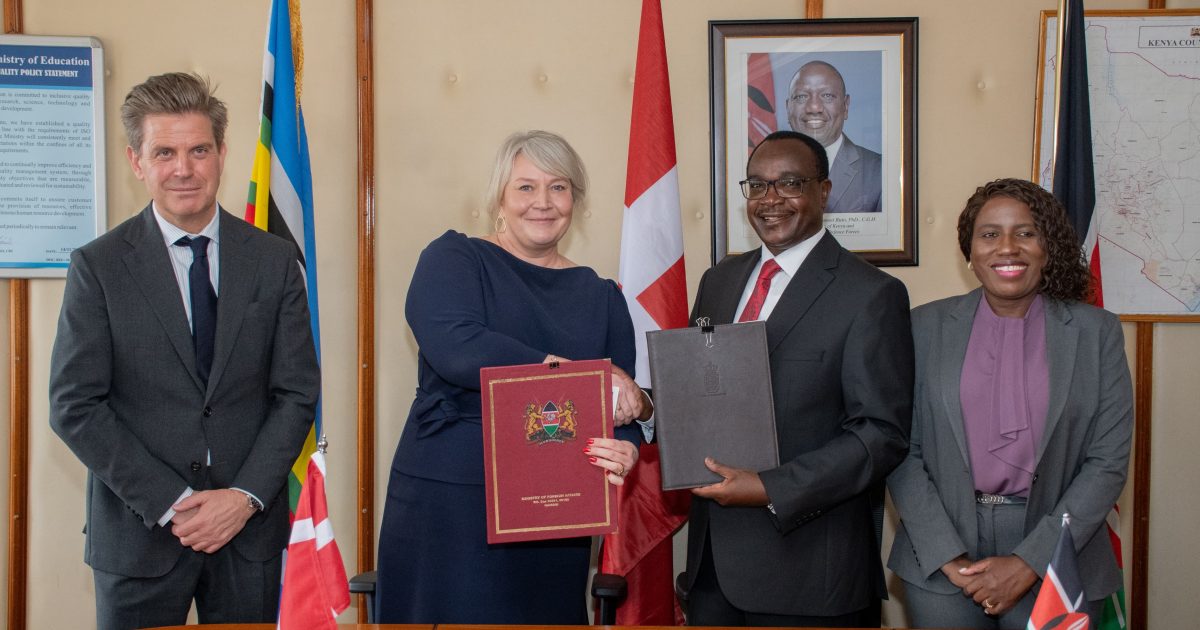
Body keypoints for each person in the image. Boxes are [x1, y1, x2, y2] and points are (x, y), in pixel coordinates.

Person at [48, 72, 320, 630]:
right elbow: (74, 406)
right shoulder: (98, 267)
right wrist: (175, 502)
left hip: (248, 535)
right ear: (137, 161)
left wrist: (242, 497)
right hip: (139, 536)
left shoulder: (273, 261)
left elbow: (296, 393)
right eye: (164, 152)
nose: (183, 169)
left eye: (198, 150)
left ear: (222, 153)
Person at [374, 130, 650, 624]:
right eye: (525, 187)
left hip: (557, 510)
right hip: (452, 506)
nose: (543, 202)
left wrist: (626, 447)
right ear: (499, 196)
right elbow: (458, 349)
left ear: (575, 200)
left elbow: (620, 398)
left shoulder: (601, 295)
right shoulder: (455, 258)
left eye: (558, 187)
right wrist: (567, 373)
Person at [684, 130, 913, 627]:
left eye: (789, 183)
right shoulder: (718, 281)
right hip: (712, 574)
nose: (771, 200)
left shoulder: (871, 295)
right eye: (757, 185)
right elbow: (697, 389)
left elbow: (880, 435)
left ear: (824, 191)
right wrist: (647, 407)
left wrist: (770, 487)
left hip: (810, 576)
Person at [887, 178, 1133, 629]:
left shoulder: (1097, 333)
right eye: (989, 234)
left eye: (1025, 233)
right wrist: (948, 555)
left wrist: (1029, 561)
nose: (1007, 247)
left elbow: (1108, 462)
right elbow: (902, 450)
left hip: (1061, 553)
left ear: (1047, 248)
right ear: (969, 251)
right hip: (943, 552)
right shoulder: (922, 327)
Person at [786, 60, 882, 214]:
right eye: (801, 97)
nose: (814, 107)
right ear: (788, 108)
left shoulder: (880, 172)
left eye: (827, 96)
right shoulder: (764, 170)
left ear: (846, 106)